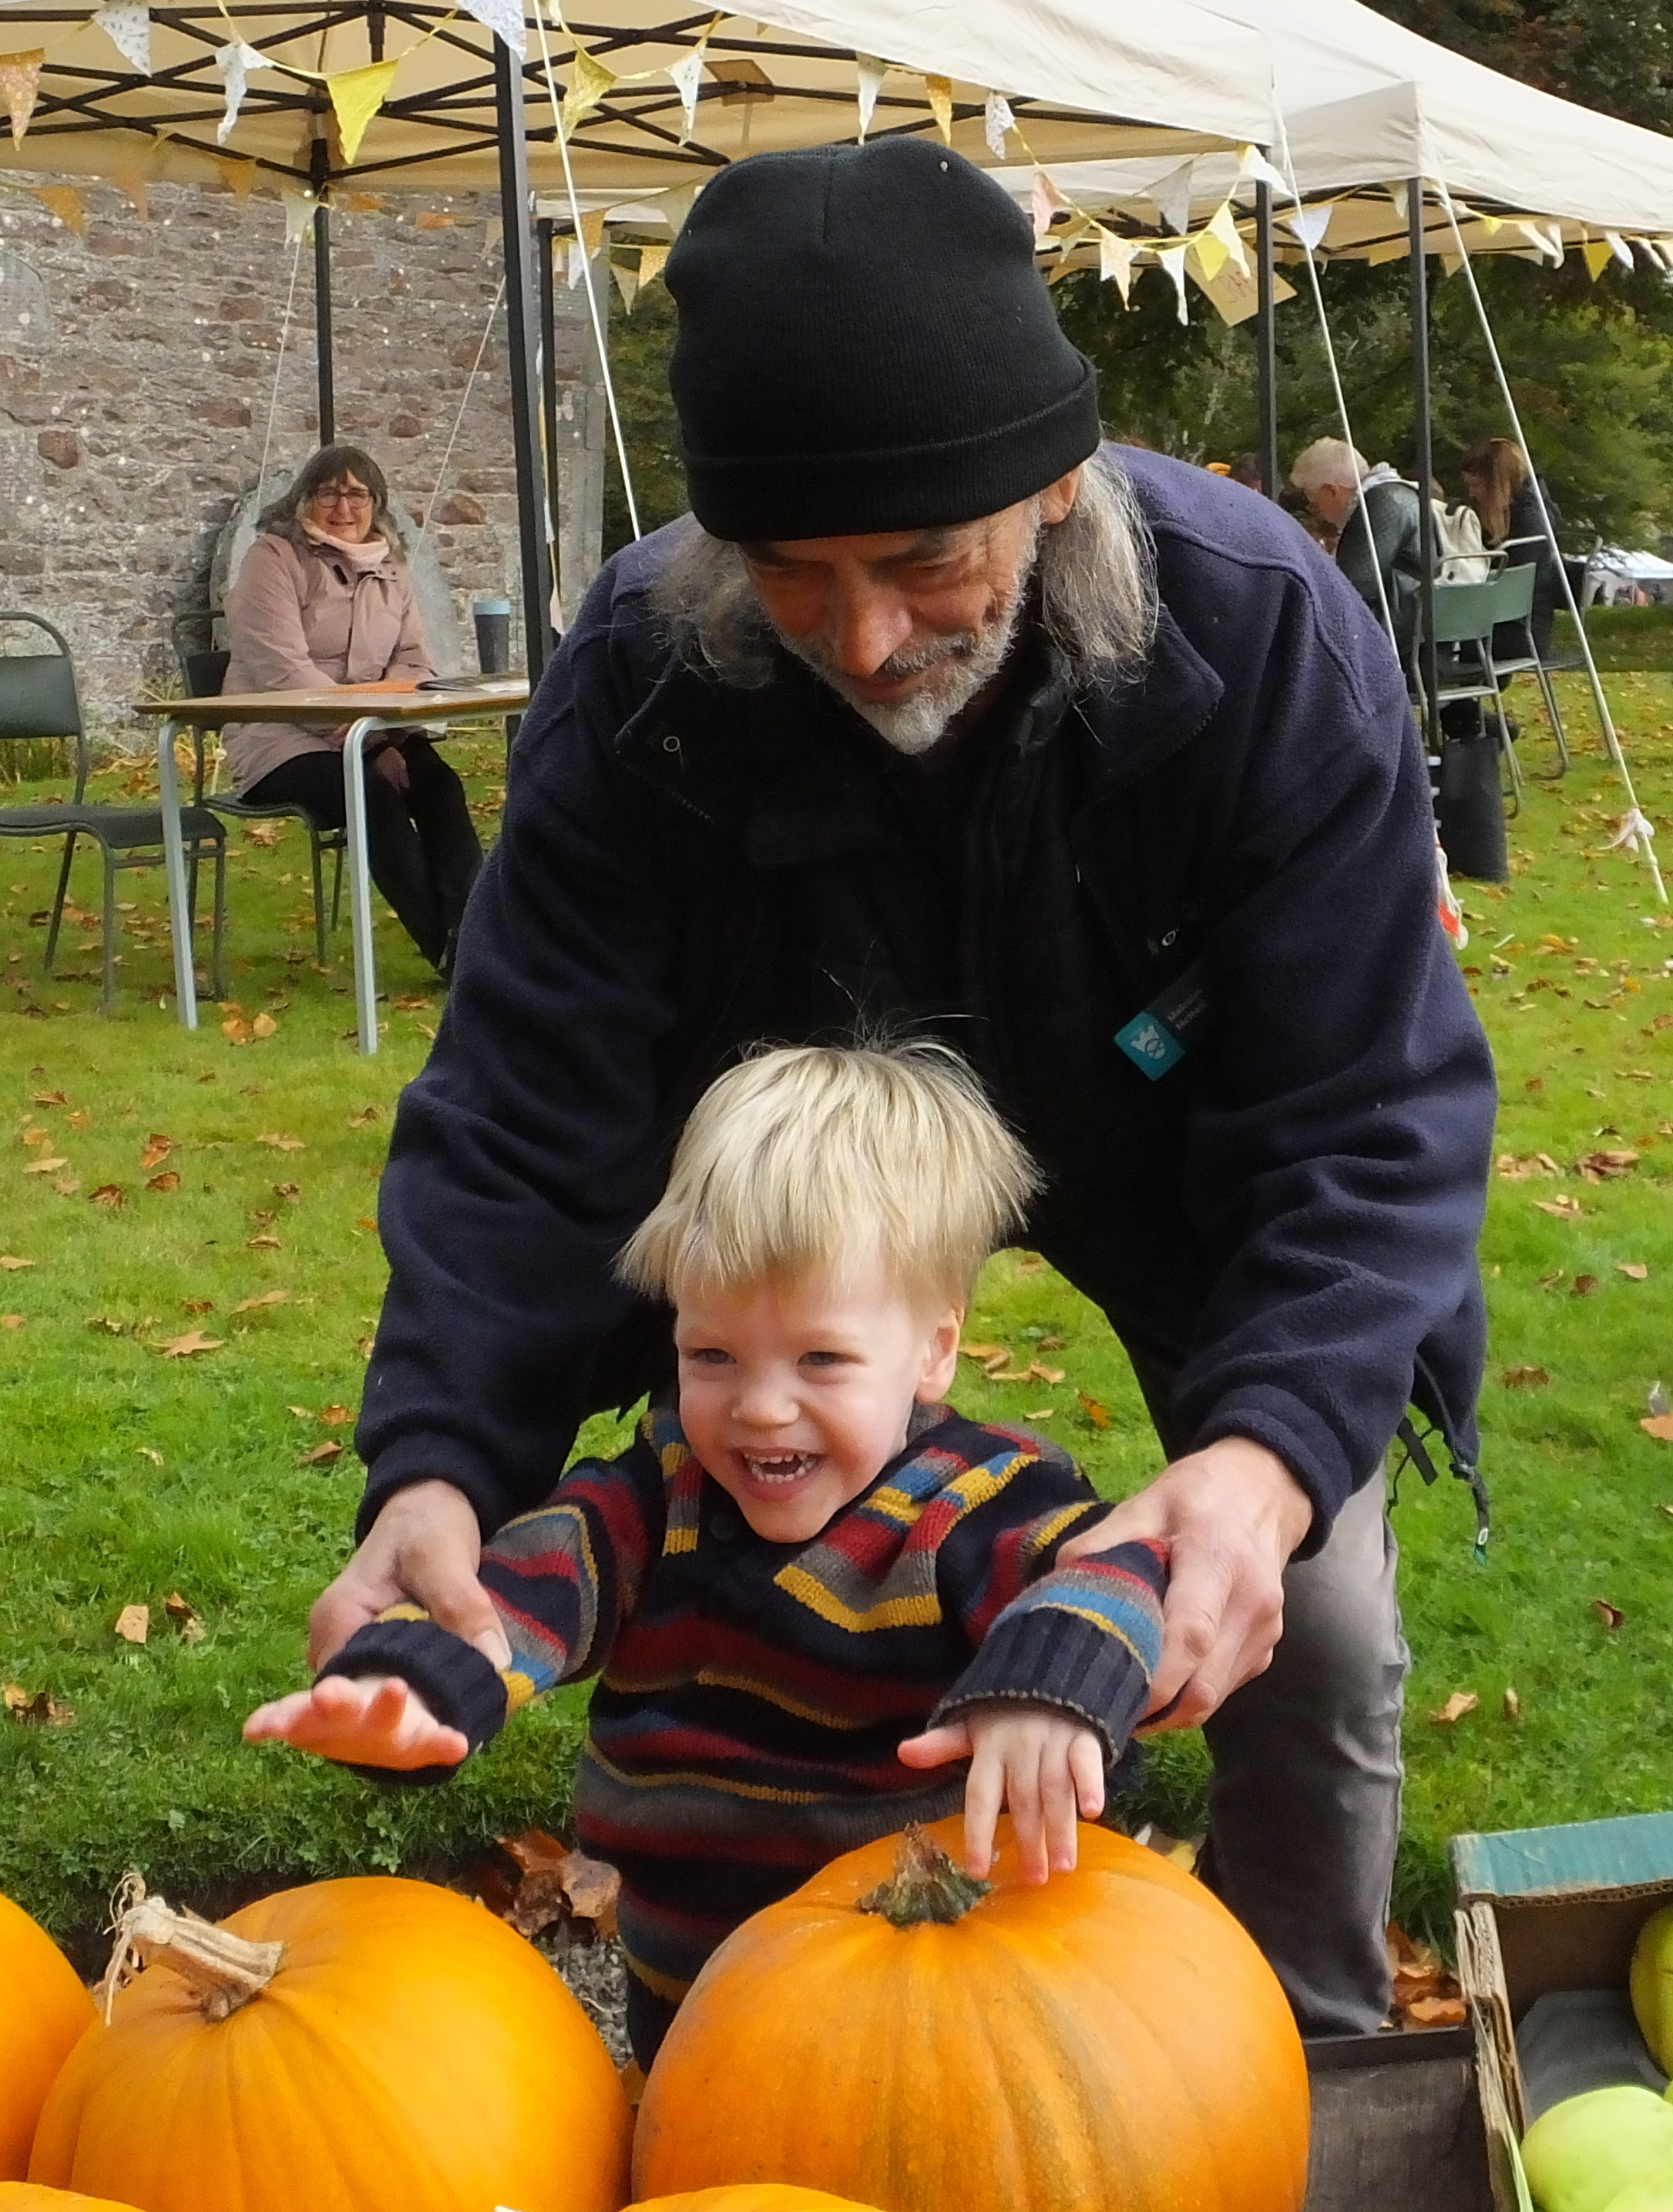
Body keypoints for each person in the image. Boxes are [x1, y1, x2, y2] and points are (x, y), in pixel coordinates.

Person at [310, 140, 1496, 2039]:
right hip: (800, 1166)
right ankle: (782, 2013)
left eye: (926, 564)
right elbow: (532, 1104)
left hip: (1178, 1135)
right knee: (723, 1544)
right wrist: (440, 1464)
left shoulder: (1267, 637)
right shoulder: (643, 667)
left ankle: (1302, 2041)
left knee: (1320, 1617)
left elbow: (1368, 1113)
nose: (864, 645)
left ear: (1053, 488)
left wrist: (1265, 1468)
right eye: (791, 578)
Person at [248, 1041, 1169, 2064]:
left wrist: (1050, 1686)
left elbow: (1110, 1568)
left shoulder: (976, 1500)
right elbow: (520, 1596)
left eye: (820, 1357)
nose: (759, 1406)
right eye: (712, 1355)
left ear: (932, 1349)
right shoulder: (657, 1491)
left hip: (930, 2016)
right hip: (692, 2006)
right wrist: (419, 1686)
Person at [220, 443, 483, 976]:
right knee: (373, 796)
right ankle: (454, 960)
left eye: (357, 494)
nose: (343, 507)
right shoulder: (272, 559)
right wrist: (366, 742)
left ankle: (482, 942)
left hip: (373, 734)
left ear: (376, 504)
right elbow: (283, 671)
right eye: (329, 493)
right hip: (279, 738)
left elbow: (414, 662)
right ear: (303, 501)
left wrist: (383, 737)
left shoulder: (392, 568)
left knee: (440, 786)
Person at [1289, 436, 1427, 671]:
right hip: (1419, 627)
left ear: (1332, 491)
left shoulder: (1375, 505)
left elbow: (1352, 588)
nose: (1318, 513)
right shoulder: (1396, 493)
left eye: (1315, 503)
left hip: (1399, 637)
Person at [1460, 435, 1562, 659]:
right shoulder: (1527, 512)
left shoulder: (1529, 521)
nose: (1472, 494)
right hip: (1519, 625)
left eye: (1476, 485)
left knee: (1438, 640)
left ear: (1497, 482)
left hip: (1520, 631)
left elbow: (1509, 584)